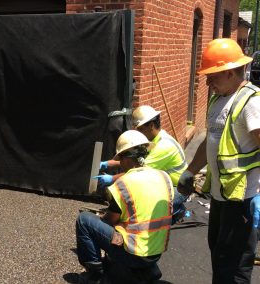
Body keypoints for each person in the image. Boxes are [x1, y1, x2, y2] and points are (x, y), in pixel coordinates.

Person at [177, 38, 260, 283]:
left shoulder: (251, 102)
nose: (207, 81)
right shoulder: (218, 99)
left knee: (234, 267)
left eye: (213, 75)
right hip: (222, 195)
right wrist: (189, 171)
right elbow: (209, 142)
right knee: (218, 254)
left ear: (233, 72)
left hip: (243, 199)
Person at [76, 130, 174, 283]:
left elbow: (109, 221)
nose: (120, 163)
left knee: (84, 220)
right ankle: (146, 270)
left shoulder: (124, 183)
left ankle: (96, 275)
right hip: (155, 252)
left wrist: (100, 217)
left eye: (121, 158)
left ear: (128, 159)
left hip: (134, 254)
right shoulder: (164, 177)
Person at [96, 105, 188, 223]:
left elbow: (138, 171)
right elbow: (134, 161)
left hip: (179, 189)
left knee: (146, 203)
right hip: (165, 183)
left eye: (140, 129)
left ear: (151, 125)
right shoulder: (154, 139)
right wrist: (107, 164)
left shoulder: (164, 146)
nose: (138, 132)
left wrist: (111, 178)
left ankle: (176, 210)